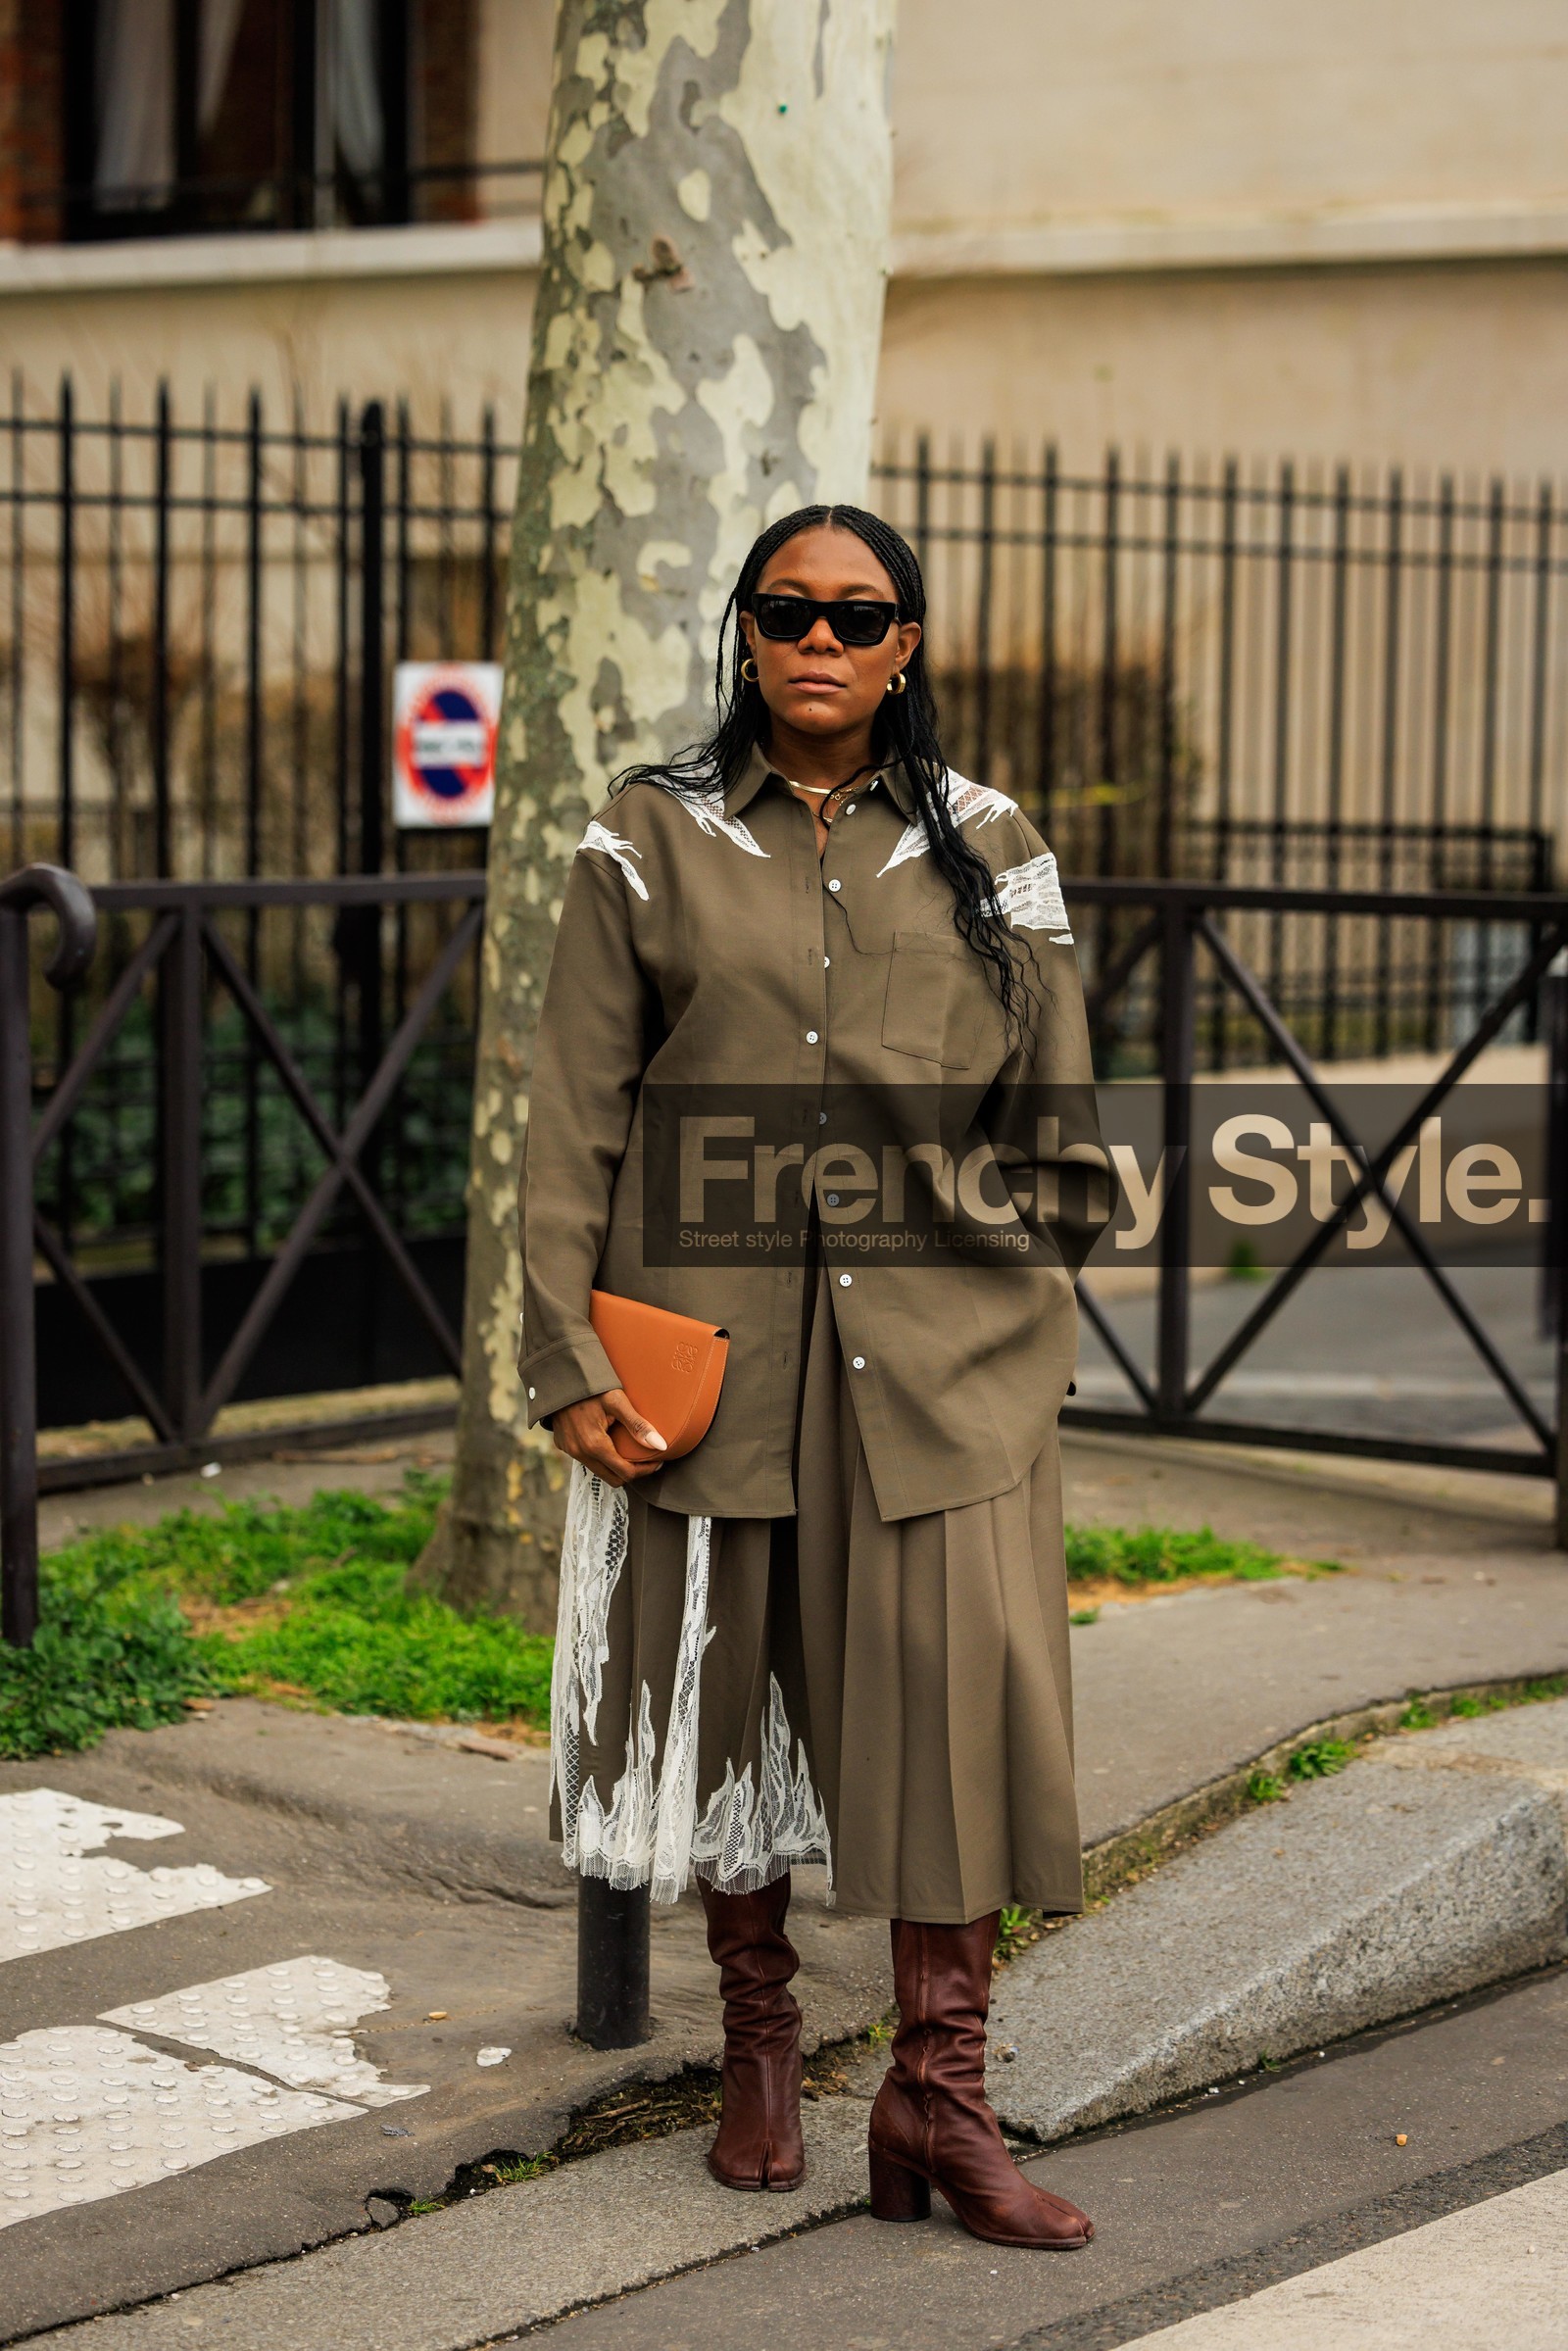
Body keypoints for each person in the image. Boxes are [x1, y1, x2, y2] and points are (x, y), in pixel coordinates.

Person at [518, 504, 1110, 2250]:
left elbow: (1062, 1134)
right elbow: (569, 1123)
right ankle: (761, 2048)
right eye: (788, 611)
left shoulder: (993, 844)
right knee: (738, 1704)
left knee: (953, 1717)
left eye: (861, 614)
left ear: (908, 641)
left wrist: (979, 1266)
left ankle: (942, 2095)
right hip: (710, 1364)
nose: (823, 640)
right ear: (749, 636)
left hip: (942, 1369)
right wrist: (563, 1352)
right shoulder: (647, 840)